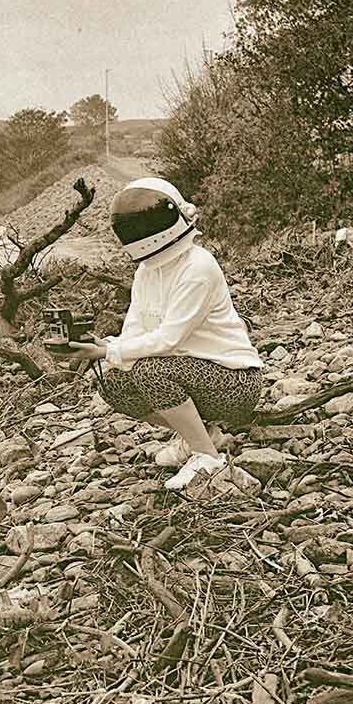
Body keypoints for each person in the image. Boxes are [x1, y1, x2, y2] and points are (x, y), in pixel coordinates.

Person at [67, 178, 265, 490]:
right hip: (191, 375)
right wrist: (105, 347)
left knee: (150, 370)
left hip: (235, 382)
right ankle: (201, 435)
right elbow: (135, 329)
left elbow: (169, 339)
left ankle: (207, 456)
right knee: (113, 380)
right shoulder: (147, 270)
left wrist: (108, 350)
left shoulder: (198, 267)